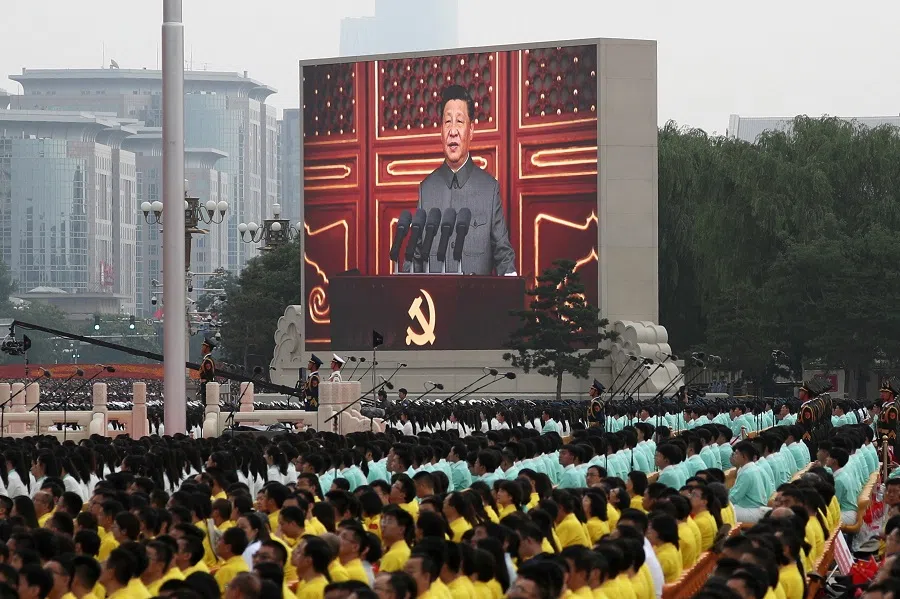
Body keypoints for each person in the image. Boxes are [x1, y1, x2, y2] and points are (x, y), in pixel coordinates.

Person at [408, 84, 517, 276]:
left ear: (471, 131)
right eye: (447, 122)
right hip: (434, 304)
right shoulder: (427, 189)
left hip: (475, 303)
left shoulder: (489, 190)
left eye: (459, 121)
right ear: (441, 132)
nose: (453, 130)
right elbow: (416, 258)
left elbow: (503, 256)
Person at [198, 337, 217, 407]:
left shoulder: (208, 361)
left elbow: (209, 376)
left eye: (204, 346)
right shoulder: (206, 360)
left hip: (207, 386)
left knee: (206, 405)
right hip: (205, 386)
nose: (202, 348)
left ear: (208, 348)